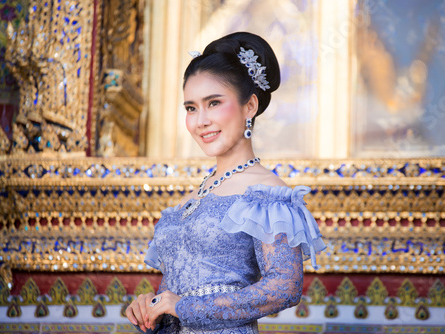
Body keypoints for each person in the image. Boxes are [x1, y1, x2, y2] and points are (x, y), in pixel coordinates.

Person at [126, 31, 325, 334]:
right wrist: (151, 307)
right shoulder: (192, 197)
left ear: (250, 107)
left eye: (214, 103)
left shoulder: (267, 194)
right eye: (191, 108)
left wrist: (185, 308)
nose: (200, 120)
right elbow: (176, 288)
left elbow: (284, 287)